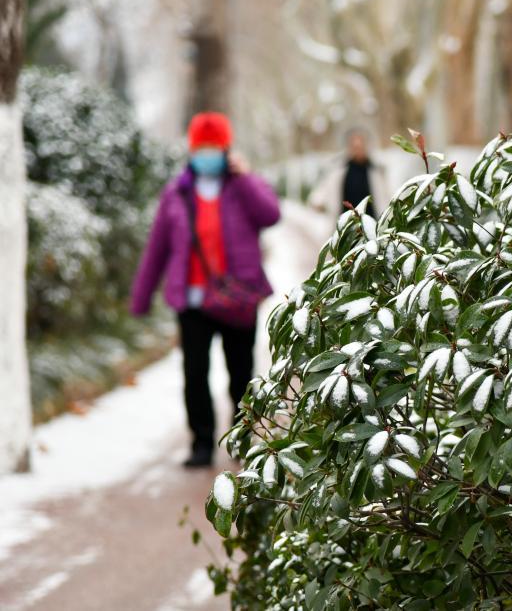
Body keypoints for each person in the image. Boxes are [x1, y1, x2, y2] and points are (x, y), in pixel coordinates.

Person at [130, 112, 280, 468]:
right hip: (193, 302)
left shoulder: (242, 186)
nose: (207, 153)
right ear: (191, 149)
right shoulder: (176, 193)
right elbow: (157, 249)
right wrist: (141, 297)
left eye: (215, 147)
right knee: (195, 375)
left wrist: (245, 177)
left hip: (238, 299)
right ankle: (201, 443)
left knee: (241, 375)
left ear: (226, 149)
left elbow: (271, 214)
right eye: (201, 147)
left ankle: (241, 440)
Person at [307, 128, 391, 221]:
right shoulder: (339, 169)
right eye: (354, 146)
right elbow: (324, 189)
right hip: (346, 222)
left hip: (371, 222)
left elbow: (386, 194)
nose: (358, 149)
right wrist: (317, 201)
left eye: (360, 146)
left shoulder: (376, 170)